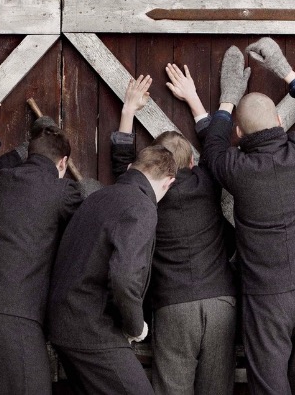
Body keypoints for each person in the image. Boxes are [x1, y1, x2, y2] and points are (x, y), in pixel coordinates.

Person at [202, 40, 295, 394]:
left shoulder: (234, 166)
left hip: (267, 297)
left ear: (240, 135)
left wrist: (228, 98)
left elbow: (212, 146)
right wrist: (283, 68)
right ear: (279, 120)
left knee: (270, 387)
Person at [110, 72, 237, 395]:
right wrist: (193, 98)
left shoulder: (147, 195)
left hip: (173, 306)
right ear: (192, 162)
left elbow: (120, 166)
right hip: (221, 301)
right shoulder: (207, 183)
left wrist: (128, 111)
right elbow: (215, 143)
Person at [48, 145, 177, 395]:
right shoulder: (141, 206)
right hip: (91, 328)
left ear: (131, 168)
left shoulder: (97, 197)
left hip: (63, 322)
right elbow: (124, 276)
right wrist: (135, 326)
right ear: (168, 183)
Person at [0, 125, 83, 395]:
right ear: (63, 162)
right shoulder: (62, 191)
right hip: (15, 316)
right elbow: (90, 211)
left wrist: (24, 148)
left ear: (28, 154)